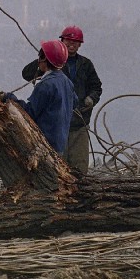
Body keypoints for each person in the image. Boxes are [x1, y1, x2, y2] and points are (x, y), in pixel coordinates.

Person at [22, 25, 102, 173]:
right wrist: (44, 60)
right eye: (68, 40)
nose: (71, 44)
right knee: (59, 169)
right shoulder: (53, 62)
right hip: (57, 128)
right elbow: (27, 74)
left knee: (79, 168)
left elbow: (96, 87)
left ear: (80, 44)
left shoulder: (86, 65)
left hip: (79, 125)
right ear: (62, 41)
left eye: (75, 41)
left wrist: (91, 98)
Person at [5, 40, 77, 153]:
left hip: (45, 144)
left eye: (40, 56)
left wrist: (9, 98)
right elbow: (75, 102)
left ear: (43, 58)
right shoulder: (67, 81)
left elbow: (29, 113)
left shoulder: (46, 85)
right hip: (60, 144)